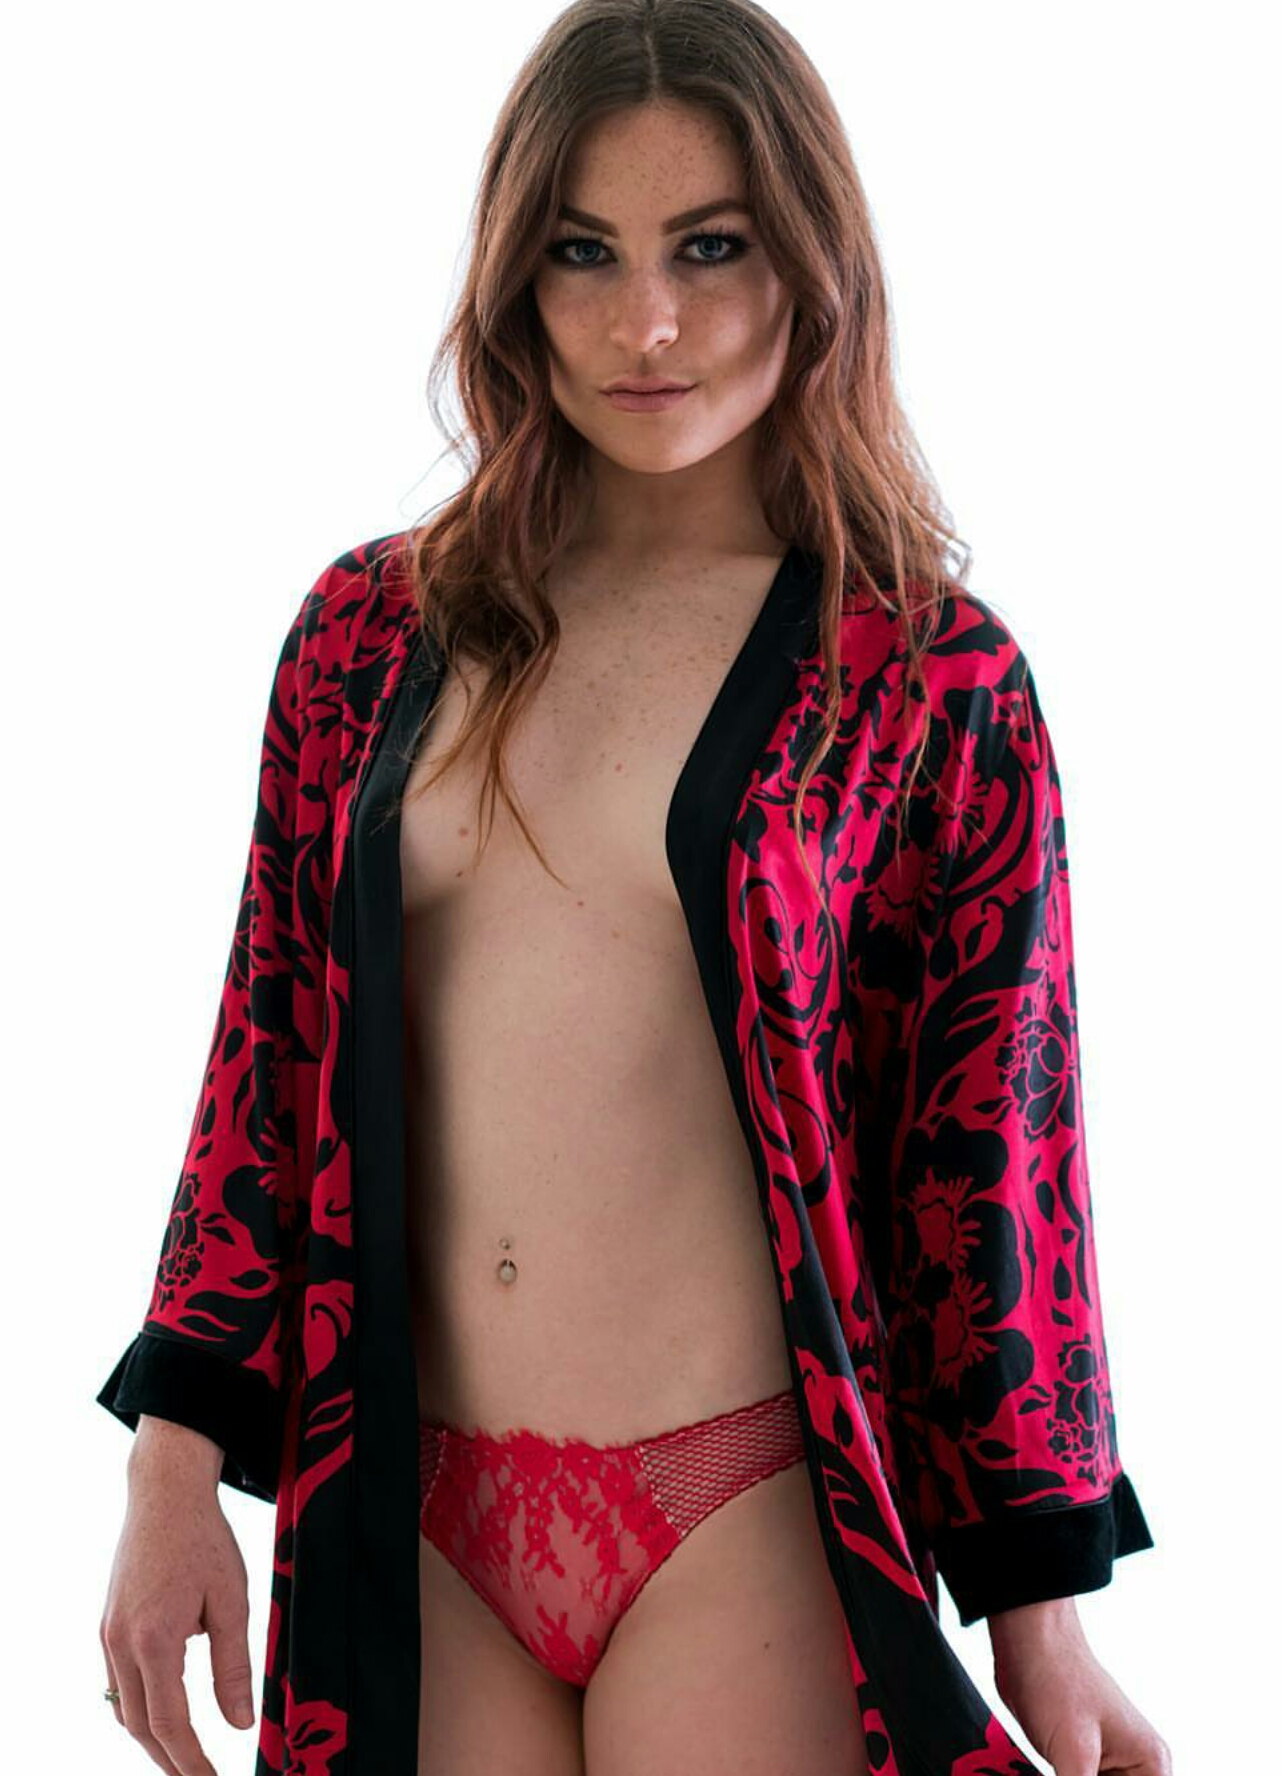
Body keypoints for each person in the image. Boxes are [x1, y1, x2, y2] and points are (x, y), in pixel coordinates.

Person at [97, 3, 1169, 1773]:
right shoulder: (364, 634)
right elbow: (265, 1055)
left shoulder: (927, 676)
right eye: (583, 251)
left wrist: (1038, 1614)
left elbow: (994, 1164)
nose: (644, 321)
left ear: (813, 265)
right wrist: (170, 1467)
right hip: (412, 1504)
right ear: (514, 278)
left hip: (737, 1499)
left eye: (710, 247)